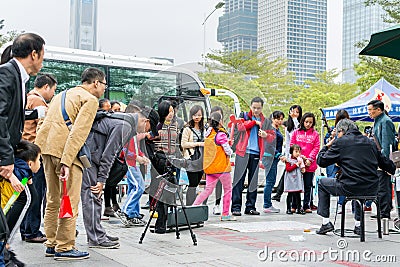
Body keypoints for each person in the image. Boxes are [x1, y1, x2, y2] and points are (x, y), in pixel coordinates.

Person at [35, 67, 106, 260]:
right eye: (104, 85)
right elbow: (78, 133)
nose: (103, 90)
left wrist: (36, 153)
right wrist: (67, 161)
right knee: (69, 200)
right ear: (96, 83)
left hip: (48, 150)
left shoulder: (61, 95)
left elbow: (44, 124)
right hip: (67, 153)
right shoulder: (90, 100)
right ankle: (65, 246)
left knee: (52, 200)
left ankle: (51, 243)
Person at [81, 108, 150, 248]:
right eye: (147, 128)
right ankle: (95, 238)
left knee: (95, 198)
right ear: (145, 121)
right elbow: (109, 154)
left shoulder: (124, 121)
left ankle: (98, 234)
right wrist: (102, 180)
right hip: (88, 158)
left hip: (91, 156)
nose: (145, 131)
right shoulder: (124, 125)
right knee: (92, 196)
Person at [316, 119, 395, 235]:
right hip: (371, 188)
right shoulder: (370, 142)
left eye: (338, 134)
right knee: (357, 184)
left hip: (349, 187)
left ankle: (325, 222)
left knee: (322, 183)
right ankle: (358, 225)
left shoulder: (341, 142)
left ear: (342, 131)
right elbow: (387, 165)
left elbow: (321, 161)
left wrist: (327, 146)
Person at [0, 33, 45, 181]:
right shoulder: (7, 73)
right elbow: (1, 116)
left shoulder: (20, 77)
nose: (42, 63)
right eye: (42, 57)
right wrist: (6, 157)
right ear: (33, 54)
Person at [20, 73, 57, 243]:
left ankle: (26, 229)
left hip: (24, 150)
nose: (53, 95)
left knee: (27, 192)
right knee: (36, 193)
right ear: (46, 87)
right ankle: (32, 231)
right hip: (34, 152)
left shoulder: (28, 98)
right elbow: (43, 129)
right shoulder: (38, 102)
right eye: (53, 90)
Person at [0, 140, 41, 266]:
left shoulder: (22, 171)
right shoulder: (21, 173)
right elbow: (31, 198)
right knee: (27, 200)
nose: (40, 163)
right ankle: (5, 244)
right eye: (39, 160)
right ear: (29, 163)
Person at [231, 97, 272, 216]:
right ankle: (236, 207)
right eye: (254, 107)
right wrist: (254, 122)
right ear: (250, 106)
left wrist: (265, 134)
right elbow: (240, 127)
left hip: (256, 153)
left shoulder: (265, 121)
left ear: (262, 108)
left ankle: (250, 206)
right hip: (242, 152)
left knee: (253, 182)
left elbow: (272, 137)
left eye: (258, 108)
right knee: (239, 181)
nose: (256, 110)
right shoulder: (244, 116)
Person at [193, 112, 235, 221]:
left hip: (210, 168)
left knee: (207, 190)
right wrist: (231, 148)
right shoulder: (221, 135)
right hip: (222, 168)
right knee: (227, 190)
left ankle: (193, 207)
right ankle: (225, 214)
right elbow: (228, 151)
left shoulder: (207, 134)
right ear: (220, 121)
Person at [115, 106, 151, 227]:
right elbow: (124, 150)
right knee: (139, 187)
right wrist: (137, 157)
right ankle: (126, 212)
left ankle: (133, 214)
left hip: (134, 164)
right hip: (130, 165)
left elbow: (136, 148)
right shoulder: (126, 131)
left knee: (134, 188)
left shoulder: (133, 132)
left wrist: (142, 156)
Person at [150, 100, 179, 234]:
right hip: (160, 160)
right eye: (168, 112)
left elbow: (177, 143)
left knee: (171, 191)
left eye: (172, 111)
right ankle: (160, 222)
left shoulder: (175, 125)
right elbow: (149, 140)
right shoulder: (157, 125)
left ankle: (166, 221)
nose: (171, 114)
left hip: (172, 160)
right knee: (160, 191)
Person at [367, 99, 397, 219]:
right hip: (378, 160)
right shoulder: (378, 121)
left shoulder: (385, 121)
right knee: (380, 187)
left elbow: (387, 145)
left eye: (370, 110)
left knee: (383, 187)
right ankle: (382, 210)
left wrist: (384, 162)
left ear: (378, 109)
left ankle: (384, 213)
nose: (369, 112)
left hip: (383, 161)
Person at [290, 112, 320, 213]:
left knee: (308, 185)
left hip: (309, 164)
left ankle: (306, 205)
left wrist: (309, 159)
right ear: (303, 121)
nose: (308, 124)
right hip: (297, 164)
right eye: (306, 122)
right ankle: (294, 205)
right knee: (296, 186)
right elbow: (292, 145)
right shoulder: (296, 132)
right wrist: (299, 157)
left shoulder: (315, 134)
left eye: (310, 122)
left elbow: (316, 147)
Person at [272, 105, 302, 202]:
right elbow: (288, 141)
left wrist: (295, 119)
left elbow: (298, 132)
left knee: (293, 174)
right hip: (290, 154)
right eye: (293, 112)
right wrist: (286, 155)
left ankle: (280, 193)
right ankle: (280, 194)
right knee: (288, 172)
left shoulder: (300, 124)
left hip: (299, 154)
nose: (295, 114)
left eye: (297, 112)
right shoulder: (287, 126)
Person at [181, 105, 205, 206]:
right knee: (192, 184)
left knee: (196, 184)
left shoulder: (204, 129)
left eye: (199, 115)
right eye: (194, 115)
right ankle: (189, 207)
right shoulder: (187, 129)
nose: (197, 117)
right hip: (191, 159)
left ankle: (194, 207)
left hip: (202, 160)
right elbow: (183, 144)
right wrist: (198, 144)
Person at [262, 111, 285, 213]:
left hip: (272, 157)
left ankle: (268, 204)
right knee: (270, 181)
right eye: (278, 119)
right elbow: (269, 145)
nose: (280, 121)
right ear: (272, 119)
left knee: (271, 181)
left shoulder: (276, 129)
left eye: (281, 119)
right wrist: (278, 155)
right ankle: (267, 204)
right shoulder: (271, 130)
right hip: (270, 157)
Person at [209, 106, 225, 215]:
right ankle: (203, 204)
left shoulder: (224, 131)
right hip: (209, 160)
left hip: (220, 161)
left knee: (219, 184)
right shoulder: (207, 129)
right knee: (208, 185)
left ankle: (217, 205)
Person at [284, 144, 305, 214]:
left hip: (297, 179)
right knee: (290, 194)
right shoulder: (288, 160)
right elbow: (288, 169)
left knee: (297, 194)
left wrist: (302, 169)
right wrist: (296, 165)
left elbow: (302, 167)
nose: (298, 153)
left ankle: (299, 208)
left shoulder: (300, 159)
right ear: (291, 152)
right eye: (296, 151)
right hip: (290, 180)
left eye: (299, 152)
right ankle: (288, 208)